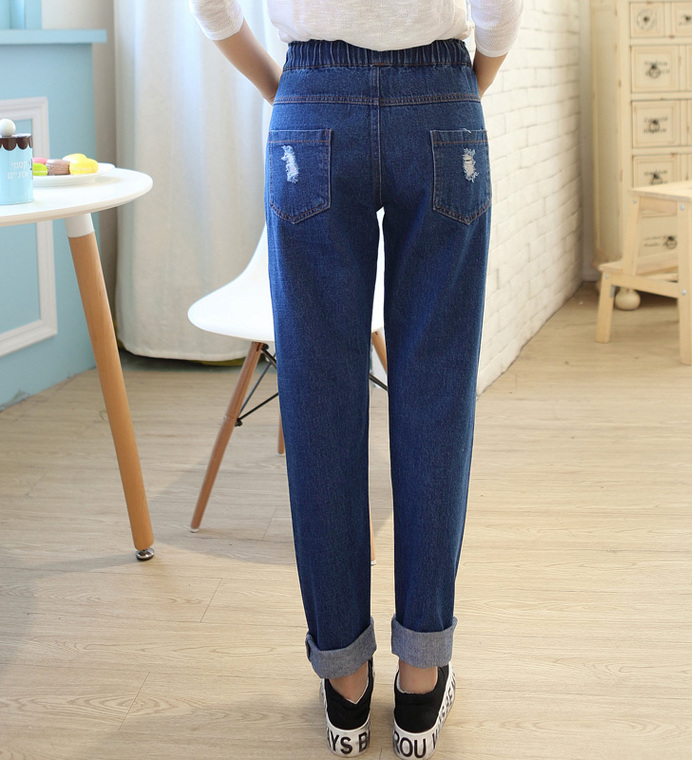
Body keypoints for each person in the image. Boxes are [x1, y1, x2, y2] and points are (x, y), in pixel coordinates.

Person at [189, 1, 523, 757]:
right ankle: (420, 680)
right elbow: (499, 10)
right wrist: (461, 86)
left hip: (312, 104)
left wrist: (291, 90)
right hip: (440, 102)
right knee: (435, 396)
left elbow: (209, 7)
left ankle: (345, 684)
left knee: (317, 401)